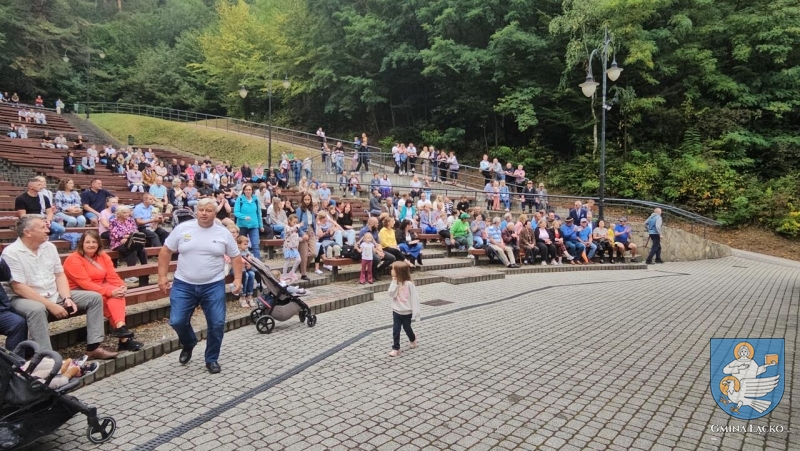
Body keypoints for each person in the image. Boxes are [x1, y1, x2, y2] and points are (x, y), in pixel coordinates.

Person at [1, 216, 118, 358]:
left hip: (52, 293)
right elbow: (19, 287)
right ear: (28, 232)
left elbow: (59, 275)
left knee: (94, 298)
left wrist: (67, 298)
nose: (48, 230)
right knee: (37, 309)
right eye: (43, 227)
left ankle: (93, 347)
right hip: (22, 298)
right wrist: (51, 306)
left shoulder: (49, 247)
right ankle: (47, 357)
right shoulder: (11, 252)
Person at [158, 198, 242, 374]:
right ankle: (189, 342)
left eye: (208, 210)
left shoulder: (223, 233)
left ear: (215, 213)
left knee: (217, 323)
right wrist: (162, 276)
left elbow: (235, 256)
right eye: (201, 210)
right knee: (177, 321)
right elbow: (166, 250)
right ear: (196, 211)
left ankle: (211, 359)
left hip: (213, 284)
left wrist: (238, 279)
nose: (204, 213)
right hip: (184, 284)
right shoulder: (183, 228)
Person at [63, 231, 143, 352]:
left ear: (99, 244)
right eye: (87, 242)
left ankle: (121, 329)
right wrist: (110, 292)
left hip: (99, 286)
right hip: (79, 291)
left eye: (94, 242)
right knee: (107, 297)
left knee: (117, 293)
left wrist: (121, 286)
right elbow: (85, 283)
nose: (91, 245)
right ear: (81, 244)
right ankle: (124, 339)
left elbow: (112, 275)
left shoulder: (103, 256)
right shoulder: (73, 259)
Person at [388, 262, 420, 357]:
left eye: (393, 269)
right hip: (396, 311)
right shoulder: (395, 283)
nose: (391, 271)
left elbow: (414, 298)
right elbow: (391, 294)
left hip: (407, 312)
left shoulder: (409, 284)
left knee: (407, 328)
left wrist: (416, 313)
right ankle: (396, 348)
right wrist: (394, 283)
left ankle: (413, 339)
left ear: (399, 272)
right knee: (396, 329)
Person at [233, 184, 262, 260]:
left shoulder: (255, 200)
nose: (248, 191)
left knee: (255, 245)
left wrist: (261, 225)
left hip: (254, 225)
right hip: (242, 225)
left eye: (250, 190)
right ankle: (242, 261)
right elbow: (236, 212)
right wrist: (244, 217)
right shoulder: (240, 199)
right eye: (246, 190)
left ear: (252, 191)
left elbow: (258, 213)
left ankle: (257, 263)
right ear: (244, 191)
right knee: (242, 245)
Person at [235, 236, 257, 308]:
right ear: (239, 245)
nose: (246, 246)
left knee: (252, 274)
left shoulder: (247, 251)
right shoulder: (236, 251)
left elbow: (252, 258)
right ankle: (242, 296)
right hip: (239, 270)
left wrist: (250, 264)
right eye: (244, 244)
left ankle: (249, 295)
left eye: (247, 244)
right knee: (246, 276)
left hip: (247, 269)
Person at [281, 215, 302, 281]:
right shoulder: (287, 227)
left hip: (294, 247)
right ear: (289, 221)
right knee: (287, 261)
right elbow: (289, 231)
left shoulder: (295, 230)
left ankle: (292, 272)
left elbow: (295, 238)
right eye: (294, 222)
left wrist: (301, 239)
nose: (295, 224)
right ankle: (284, 275)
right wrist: (298, 225)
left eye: (296, 222)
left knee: (298, 259)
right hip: (288, 247)